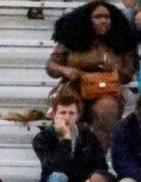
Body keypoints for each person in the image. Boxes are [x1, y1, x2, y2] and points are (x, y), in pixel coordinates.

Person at [45, 1, 136, 149]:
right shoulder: (70, 39)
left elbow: (128, 74)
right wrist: (65, 70)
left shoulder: (120, 41)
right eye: (98, 17)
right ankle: (66, 156)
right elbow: (50, 66)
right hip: (73, 88)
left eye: (107, 17)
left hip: (106, 91)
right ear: (87, 21)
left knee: (106, 109)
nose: (103, 21)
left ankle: (96, 162)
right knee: (66, 107)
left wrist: (113, 70)